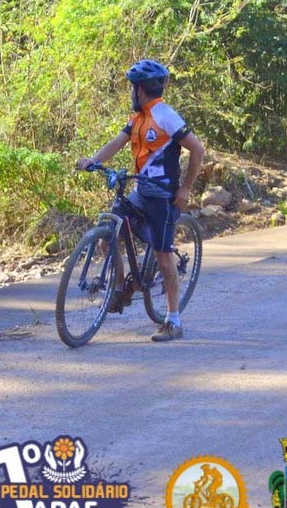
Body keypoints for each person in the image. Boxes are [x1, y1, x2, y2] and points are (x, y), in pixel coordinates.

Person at [76, 59, 205, 342]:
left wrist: (185, 189)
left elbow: (197, 149)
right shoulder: (137, 118)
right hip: (140, 191)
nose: (130, 92)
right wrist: (93, 161)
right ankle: (120, 287)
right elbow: (116, 143)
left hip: (162, 195)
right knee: (107, 238)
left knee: (163, 258)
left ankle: (173, 320)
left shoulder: (166, 116)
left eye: (132, 87)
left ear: (141, 89)